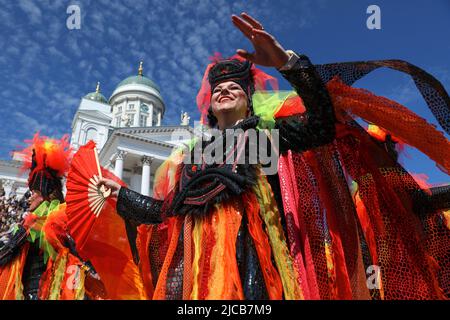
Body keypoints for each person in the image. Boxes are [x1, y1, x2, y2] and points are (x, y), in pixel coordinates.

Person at [97, 13, 450, 300]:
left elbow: (321, 125)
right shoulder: (194, 158)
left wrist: (288, 64)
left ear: (247, 99)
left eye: (233, 87)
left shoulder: (264, 139)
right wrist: (120, 195)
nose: (223, 91)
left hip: (256, 272)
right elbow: (168, 213)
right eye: (217, 89)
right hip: (199, 283)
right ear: (210, 105)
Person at [0, 134, 102, 300]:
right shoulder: (32, 221)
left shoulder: (52, 219)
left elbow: (75, 249)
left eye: (33, 192)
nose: (29, 197)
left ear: (44, 194)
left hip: (48, 290)